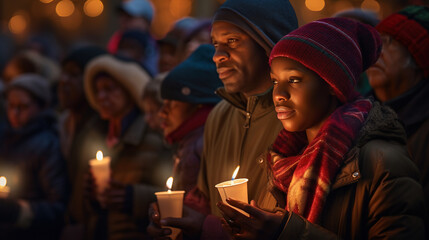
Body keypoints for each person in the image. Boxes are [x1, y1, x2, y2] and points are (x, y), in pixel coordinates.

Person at [217, 17, 426, 239]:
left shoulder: (383, 163)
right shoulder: (281, 162)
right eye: (275, 81)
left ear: (331, 85)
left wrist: (285, 232)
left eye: (294, 80)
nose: (278, 95)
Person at [147, 0, 298, 239]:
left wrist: (205, 225)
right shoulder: (219, 116)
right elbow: (206, 205)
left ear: (269, 43)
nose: (218, 56)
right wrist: (176, 220)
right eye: (215, 44)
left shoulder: (297, 117)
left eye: (233, 41)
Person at [83, 54, 171, 239]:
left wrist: (133, 196)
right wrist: (93, 194)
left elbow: (174, 191)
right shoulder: (97, 134)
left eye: (109, 89)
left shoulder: (154, 134)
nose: (101, 97)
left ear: (129, 91)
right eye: (98, 91)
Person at [366, 5, 429, 233]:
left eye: (389, 43)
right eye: (377, 42)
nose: (377, 51)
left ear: (418, 58)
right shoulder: (356, 117)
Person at [0, 74, 68, 240]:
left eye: (23, 106)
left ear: (41, 106)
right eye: (11, 106)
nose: (15, 113)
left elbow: (58, 207)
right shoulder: (5, 138)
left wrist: (17, 211)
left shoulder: (48, 145)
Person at [57, 45, 107, 239]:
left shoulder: (98, 130)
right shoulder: (64, 123)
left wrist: (85, 227)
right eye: (63, 73)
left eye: (74, 75)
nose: (64, 81)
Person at [158, 44, 223, 194]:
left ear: (198, 104)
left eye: (172, 103)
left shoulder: (202, 144)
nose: (162, 112)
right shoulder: (189, 142)